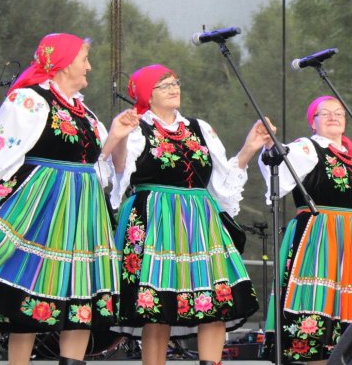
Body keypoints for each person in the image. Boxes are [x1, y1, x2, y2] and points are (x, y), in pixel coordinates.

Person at [0, 33, 139, 365]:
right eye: (84, 59)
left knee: (82, 296)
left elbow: (97, 167)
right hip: (43, 208)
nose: (89, 67)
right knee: (30, 293)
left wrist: (117, 136)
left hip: (84, 210)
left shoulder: (86, 114)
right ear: (63, 63)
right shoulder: (29, 100)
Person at [109, 64, 268, 365]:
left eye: (175, 82)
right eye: (164, 84)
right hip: (156, 220)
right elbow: (120, 173)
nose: (174, 88)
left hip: (200, 222)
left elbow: (221, 184)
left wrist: (249, 149)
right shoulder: (138, 129)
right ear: (147, 94)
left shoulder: (200, 128)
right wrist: (117, 139)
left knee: (216, 302)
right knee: (156, 308)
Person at [259, 96, 352, 363]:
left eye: (339, 113)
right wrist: (269, 146)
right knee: (318, 312)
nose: (333, 117)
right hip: (321, 238)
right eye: (325, 113)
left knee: (348, 319)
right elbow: (279, 162)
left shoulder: (349, 157)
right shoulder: (309, 148)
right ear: (313, 122)